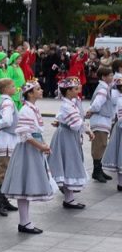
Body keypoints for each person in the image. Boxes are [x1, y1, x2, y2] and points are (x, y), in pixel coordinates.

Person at [2, 80, 54, 234]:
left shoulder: (32, 108)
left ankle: (25, 221)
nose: (41, 90)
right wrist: (40, 146)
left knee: (25, 185)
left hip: (32, 149)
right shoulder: (26, 110)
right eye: (38, 89)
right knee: (24, 185)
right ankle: (24, 222)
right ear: (30, 93)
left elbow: (34, 133)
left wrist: (43, 145)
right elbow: (25, 134)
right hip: (27, 150)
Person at [48, 76, 90, 210]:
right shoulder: (68, 105)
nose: (78, 90)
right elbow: (76, 124)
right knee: (69, 163)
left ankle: (69, 198)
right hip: (67, 137)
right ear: (68, 91)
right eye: (75, 89)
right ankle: (69, 199)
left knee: (68, 164)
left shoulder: (70, 103)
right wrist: (87, 129)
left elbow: (63, 118)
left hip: (68, 136)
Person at [0, 77, 19, 217]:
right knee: (3, 171)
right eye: (12, 86)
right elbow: (7, 120)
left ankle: (4, 199)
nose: (15, 88)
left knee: (6, 171)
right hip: (6, 141)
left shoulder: (5, 101)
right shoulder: (7, 102)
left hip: (7, 140)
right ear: (5, 89)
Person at [87, 66, 115, 183]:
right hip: (100, 121)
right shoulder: (103, 89)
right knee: (99, 145)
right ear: (104, 77)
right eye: (110, 75)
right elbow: (97, 104)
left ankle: (99, 169)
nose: (112, 77)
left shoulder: (105, 87)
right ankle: (96, 171)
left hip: (102, 120)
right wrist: (90, 111)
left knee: (102, 145)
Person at [102, 78, 122, 191]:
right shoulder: (120, 100)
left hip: (119, 127)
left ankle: (120, 183)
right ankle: (120, 183)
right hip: (120, 128)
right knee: (120, 155)